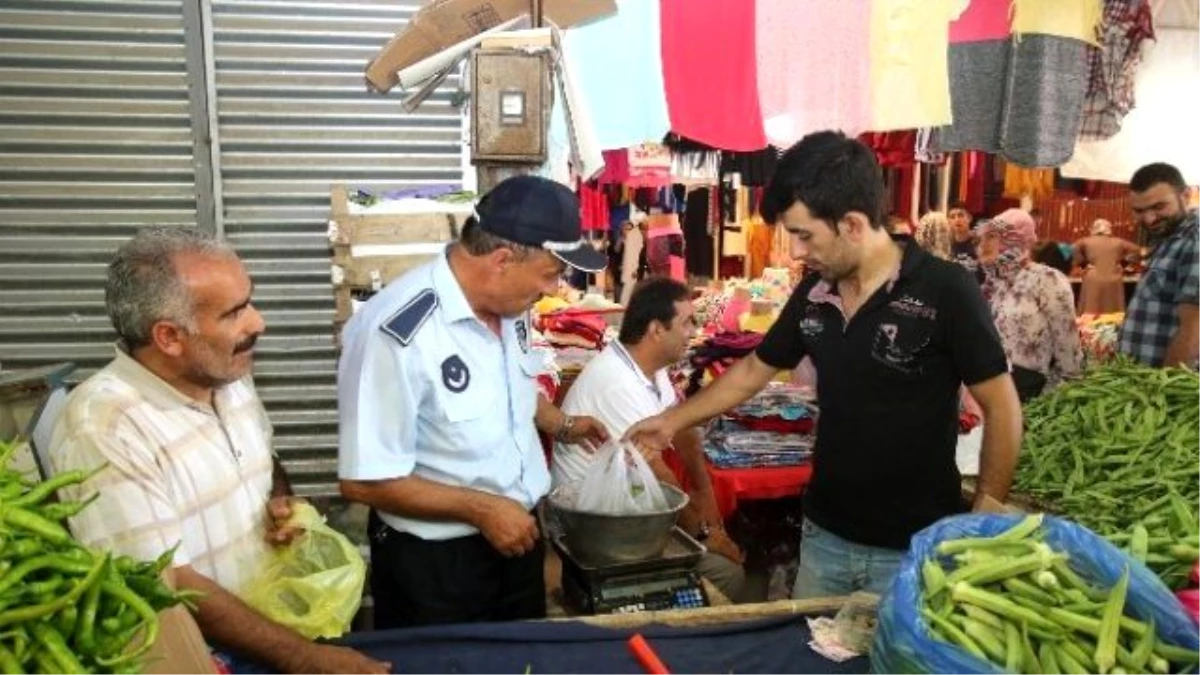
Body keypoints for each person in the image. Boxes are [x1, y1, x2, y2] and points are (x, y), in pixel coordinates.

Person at [626, 131, 1023, 599]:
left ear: (853, 224)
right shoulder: (814, 293)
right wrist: (670, 422)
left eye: (803, 235)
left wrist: (986, 512)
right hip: (824, 539)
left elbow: (1003, 407)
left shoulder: (945, 290)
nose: (795, 251)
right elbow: (754, 370)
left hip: (912, 549)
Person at [49, 228, 388, 675]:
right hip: (207, 660)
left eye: (249, 300)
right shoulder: (106, 427)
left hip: (269, 632)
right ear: (170, 337)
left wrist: (277, 500)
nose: (258, 323)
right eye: (235, 313)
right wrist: (308, 660)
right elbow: (169, 586)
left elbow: (263, 458)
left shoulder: (225, 374)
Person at [337, 175, 611, 629]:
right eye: (550, 275)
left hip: (516, 539)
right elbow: (363, 481)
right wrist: (483, 509)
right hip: (438, 566)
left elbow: (509, 390)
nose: (553, 290)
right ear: (503, 260)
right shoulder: (397, 333)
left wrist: (562, 424)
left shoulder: (512, 308)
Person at [552, 277, 746, 601]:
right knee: (728, 574)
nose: (693, 332)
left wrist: (706, 500)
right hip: (596, 527)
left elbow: (683, 431)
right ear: (656, 329)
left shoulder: (649, 369)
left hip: (626, 511)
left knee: (720, 554)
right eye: (687, 323)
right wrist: (704, 532)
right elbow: (657, 474)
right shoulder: (617, 381)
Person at [977, 209, 1083, 400]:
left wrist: (1047, 406)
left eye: (992, 237)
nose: (983, 244)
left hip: (1029, 396)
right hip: (987, 393)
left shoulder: (1047, 280)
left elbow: (1069, 356)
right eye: (982, 238)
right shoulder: (990, 284)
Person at [1119, 162, 1200, 367]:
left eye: (1159, 206)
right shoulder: (1171, 237)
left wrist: (1163, 391)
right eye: (1139, 210)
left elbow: (1194, 329)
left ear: (1186, 195)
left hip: (1162, 388)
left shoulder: (1195, 238)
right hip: (1144, 381)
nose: (1149, 219)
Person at [1073, 219, 1142, 315]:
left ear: (1093, 229)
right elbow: (1137, 250)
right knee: (1113, 309)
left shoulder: (1084, 241)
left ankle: (1089, 328)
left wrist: (1083, 265)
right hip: (1113, 276)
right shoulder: (1119, 242)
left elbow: (1073, 250)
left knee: (1091, 308)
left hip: (1093, 276)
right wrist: (1123, 263)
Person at [948, 201, 981, 278]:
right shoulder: (947, 245)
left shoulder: (980, 242)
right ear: (949, 222)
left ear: (969, 218)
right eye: (952, 217)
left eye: (961, 215)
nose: (957, 220)